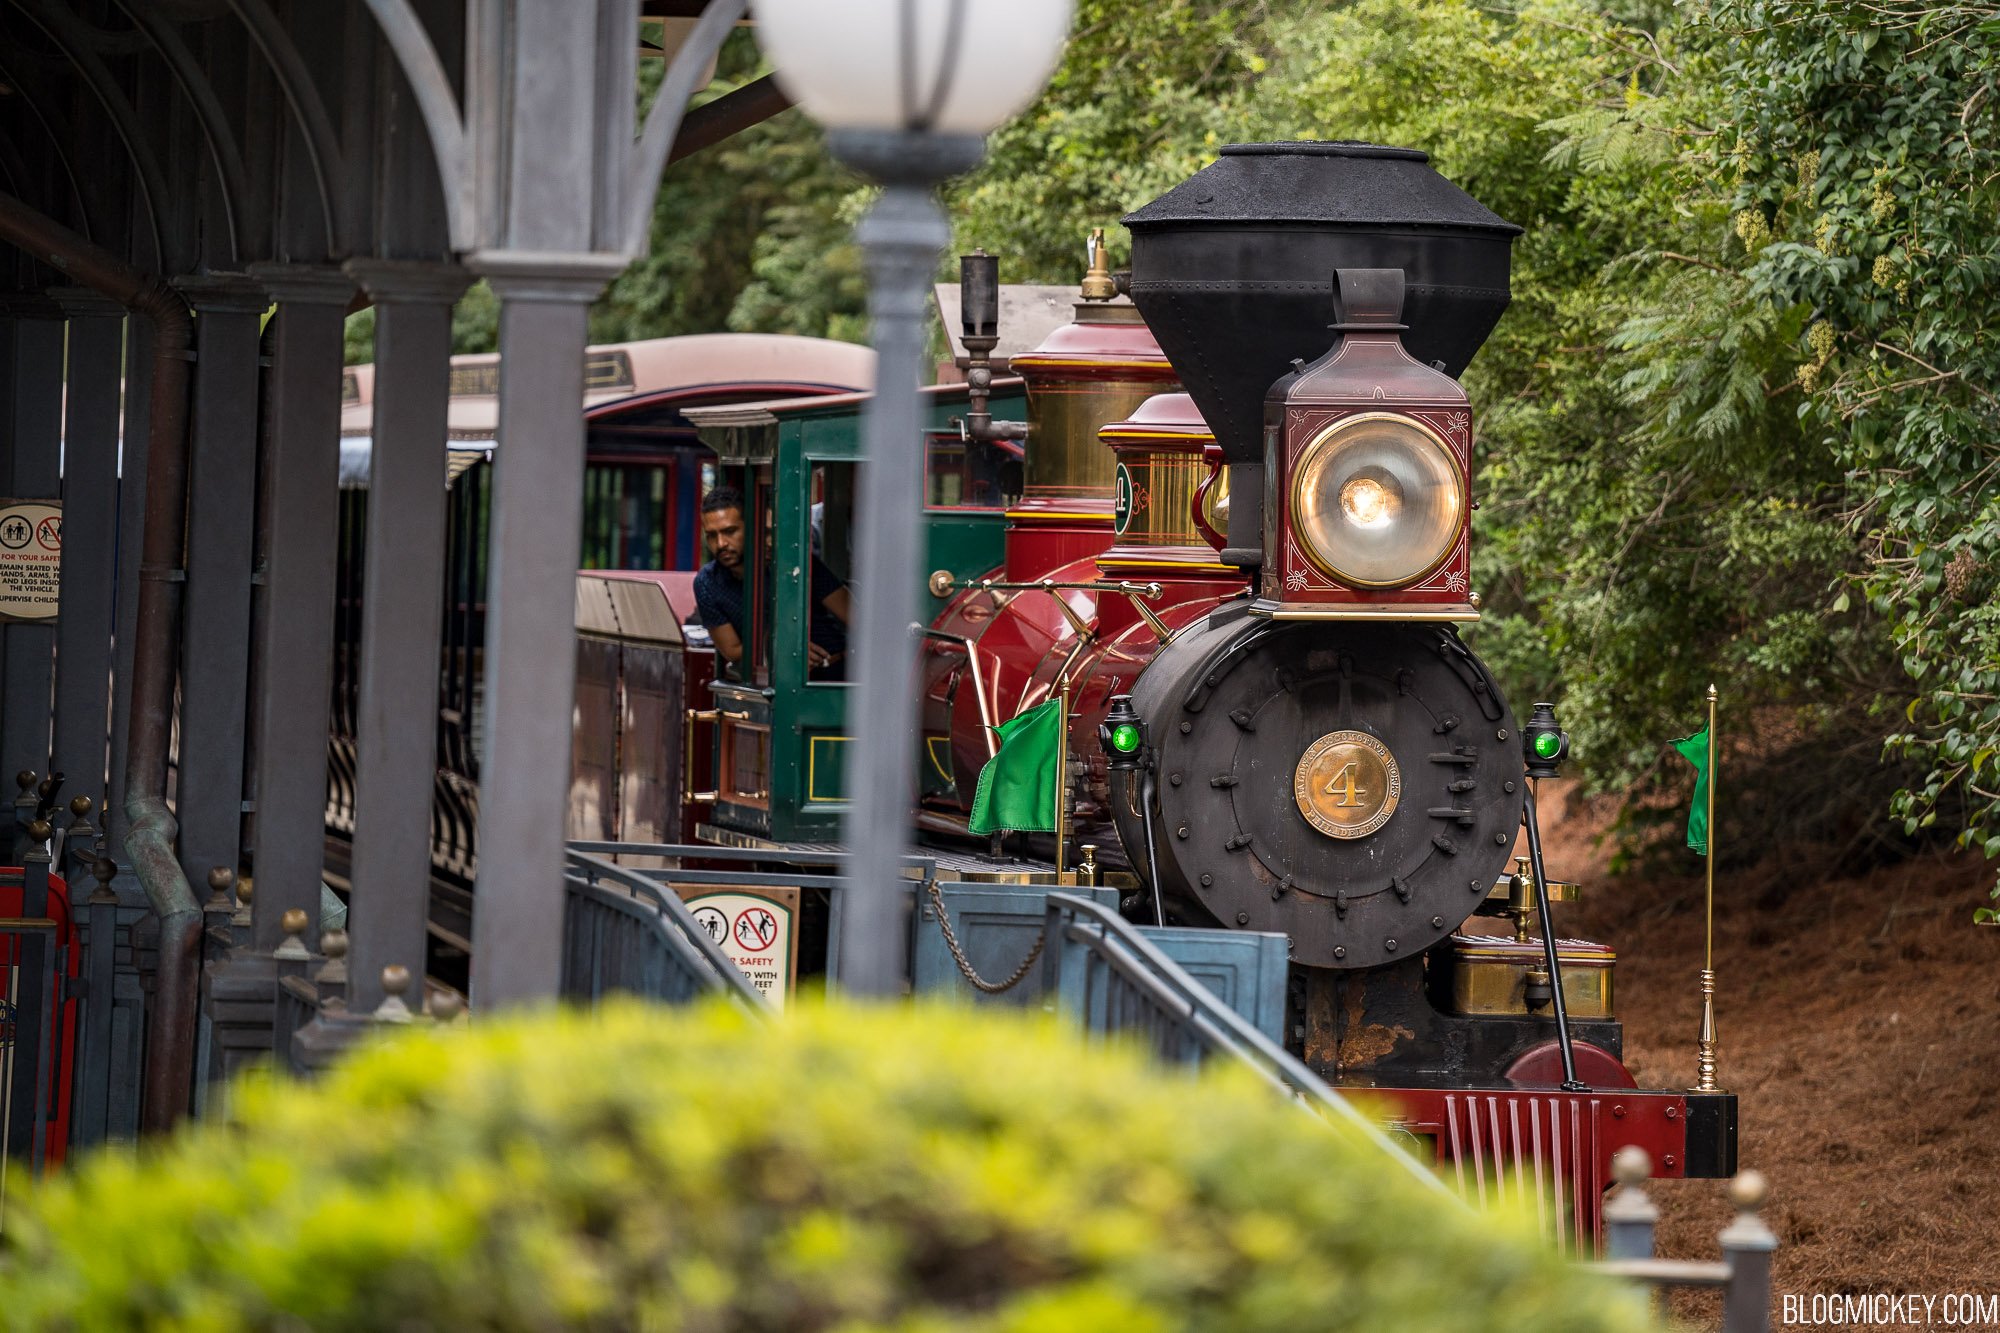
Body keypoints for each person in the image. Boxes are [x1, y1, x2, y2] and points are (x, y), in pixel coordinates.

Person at [693, 486, 850, 679]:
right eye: (711, 535)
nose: (721, 543)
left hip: (831, 676)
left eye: (730, 531)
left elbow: (855, 617)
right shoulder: (708, 582)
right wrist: (780, 643)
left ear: (751, 527)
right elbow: (731, 651)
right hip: (769, 682)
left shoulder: (793, 563)